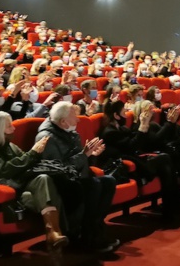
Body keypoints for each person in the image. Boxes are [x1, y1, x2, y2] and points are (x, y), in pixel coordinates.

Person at [0, 112, 68, 258]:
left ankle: (53, 233)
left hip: (24, 187)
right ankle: (58, 242)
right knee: (51, 196)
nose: (13, 128)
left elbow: (27, 163)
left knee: (44, 179)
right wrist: (33, 153)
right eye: (9, 125)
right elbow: (5, 170)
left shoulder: (11, 146)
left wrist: (35, 155)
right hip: (12, 195)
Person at [35, 102, 120, 253]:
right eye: (74, 117)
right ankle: (88, 236)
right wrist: (84, 155)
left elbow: (80, 162)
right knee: (93, 185)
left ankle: (95, 228)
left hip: (76, 177)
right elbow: (58, 169)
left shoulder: (71, 133)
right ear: (63, 121)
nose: (78, 120)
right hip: (61, 183)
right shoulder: (46, 138)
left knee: (109, 181)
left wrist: (92, 156)